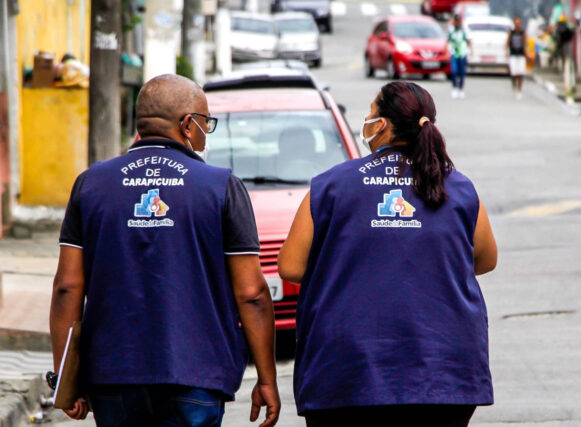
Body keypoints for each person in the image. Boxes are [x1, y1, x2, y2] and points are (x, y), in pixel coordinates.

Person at [49, 74, 280, 427]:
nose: (207, 132)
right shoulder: (221, 187)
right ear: (188, 124)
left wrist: (66, 378)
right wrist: (266, 378)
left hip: (113, 376)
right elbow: (251, 293)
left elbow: (67, 287)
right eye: (206, 123)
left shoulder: (90, 184)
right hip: (196, 375)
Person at [279, 81, 497, 427]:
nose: (366, 119)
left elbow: (290, 266)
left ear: (381, 125)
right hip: (443, 373)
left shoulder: (331, 185)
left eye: (370, 112)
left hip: (348, 372)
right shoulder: (458, 186)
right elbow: (485, 259)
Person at [447, 15, 470, 99]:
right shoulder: (451, 30)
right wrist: (447, 51)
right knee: (454, 71)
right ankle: (454, 88)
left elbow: (468, 41)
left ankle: (461, 89)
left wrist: (469, 51)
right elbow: (448, 41)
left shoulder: (464, 30)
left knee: (462, 72)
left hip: (462, 53)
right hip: (454, 53)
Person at [507, 16, 527, 99]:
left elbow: (525, 44)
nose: (518, 24)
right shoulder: (511, 32)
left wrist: (527, 54)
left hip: (521, 55)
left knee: (521, 73)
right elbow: (507, 42)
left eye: (519, 22)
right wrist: (506, 52)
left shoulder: (523, 33)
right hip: (513, 55)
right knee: (513, 73)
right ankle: (514, 84)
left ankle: (519, 90)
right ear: (514, 23)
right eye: (516, 22)